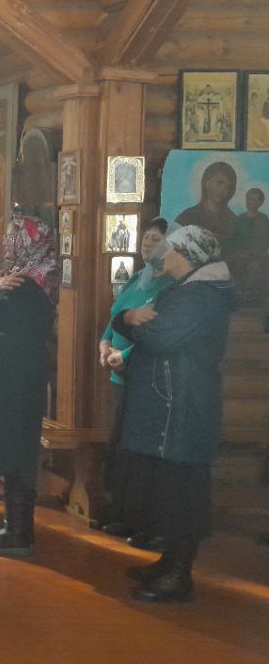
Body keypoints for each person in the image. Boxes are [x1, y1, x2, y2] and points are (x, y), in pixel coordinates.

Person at [111, 226, 235, 602]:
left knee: (182, 490)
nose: (163, 255)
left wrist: (129, 321)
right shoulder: (183, 290)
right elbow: (134, 322)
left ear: (186, 255)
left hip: (184, 405)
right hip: (172, 402)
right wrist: (127, 318)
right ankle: (168, 563)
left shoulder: (203, 297)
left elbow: (160, 336)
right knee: (167, 488)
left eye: (170, 249)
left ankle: (179, 574)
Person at [0, 211, 58, 558]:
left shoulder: (30, 283)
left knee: (16, 447)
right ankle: (14, 525)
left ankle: (19, 533)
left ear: (28, 240)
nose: (7, 242)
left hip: (15, 379)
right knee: (8, 444)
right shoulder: (17, 276)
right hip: (5, 375)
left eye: (12, 235)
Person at [96, 218, 172, 539]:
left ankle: (143, 519)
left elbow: (157, 334)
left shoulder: (169, 287)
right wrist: (104, 345)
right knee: (123, 447)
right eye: (146, 238)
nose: (147, 244)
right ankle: (124, 513)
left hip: (144, 378)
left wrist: (123, 357)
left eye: (156, 239)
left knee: (142, 450)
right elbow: (116, 317)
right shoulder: (138, 278)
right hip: (120, 379)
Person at [225, 188, 269, 304]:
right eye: (248, 199)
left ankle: (249, 298)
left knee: (255, 266)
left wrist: (250, 254)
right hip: (239, 254)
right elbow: (233, 238)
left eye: (254, 200)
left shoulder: (263, 219)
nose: (250, 202)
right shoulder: (240, 218)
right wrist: (234, 251)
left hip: (257, 256)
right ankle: (234, 296)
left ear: (260, 203)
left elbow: (263, 242)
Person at [176, 160, 237, 242]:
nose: (223, 190)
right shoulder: (187, 217)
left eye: (228, 186)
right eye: (219, 182)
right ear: (207, 183)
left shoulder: (233, 221)